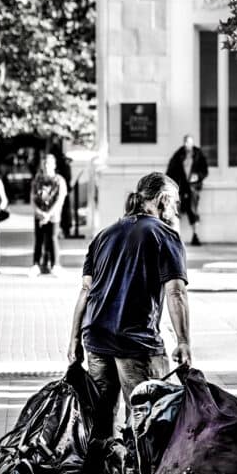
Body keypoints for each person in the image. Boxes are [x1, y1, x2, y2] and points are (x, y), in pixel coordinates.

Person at [67, 172, 192, 438]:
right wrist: (183, 341)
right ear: (162, 199)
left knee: (100, 425)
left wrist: (74, 340)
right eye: (175, 203)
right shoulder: (164, 234)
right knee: (146, 424)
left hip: (96, 339)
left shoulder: (103, 235)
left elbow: (85, 292)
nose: (176, 210)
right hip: (135, 341)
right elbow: (176, 293)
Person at [166, 134, 208, 246]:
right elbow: (170, 171)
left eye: (189, 142)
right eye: (186, 143)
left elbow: (204, 170)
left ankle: (195, 236)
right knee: (176, 211)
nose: (187, 145)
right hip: (181, 187)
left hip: (193, 188)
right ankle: (175, 236)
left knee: (193, 211)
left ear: (192, 143)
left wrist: (198, 176)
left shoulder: (198, 154)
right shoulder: (179, 154)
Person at [29, 154, 67, 277]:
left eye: (49, 163)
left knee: (52, 238)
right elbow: (32, 198)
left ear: (54, 165)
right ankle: (36, 265)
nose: (46, 166)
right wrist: (39, 213)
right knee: (39, 239)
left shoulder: (59, 181)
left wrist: (49, 214)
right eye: (44, 163)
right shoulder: (37, 180)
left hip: (54, 215)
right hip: (39, 214)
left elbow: (60, 199)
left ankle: (55, 265)